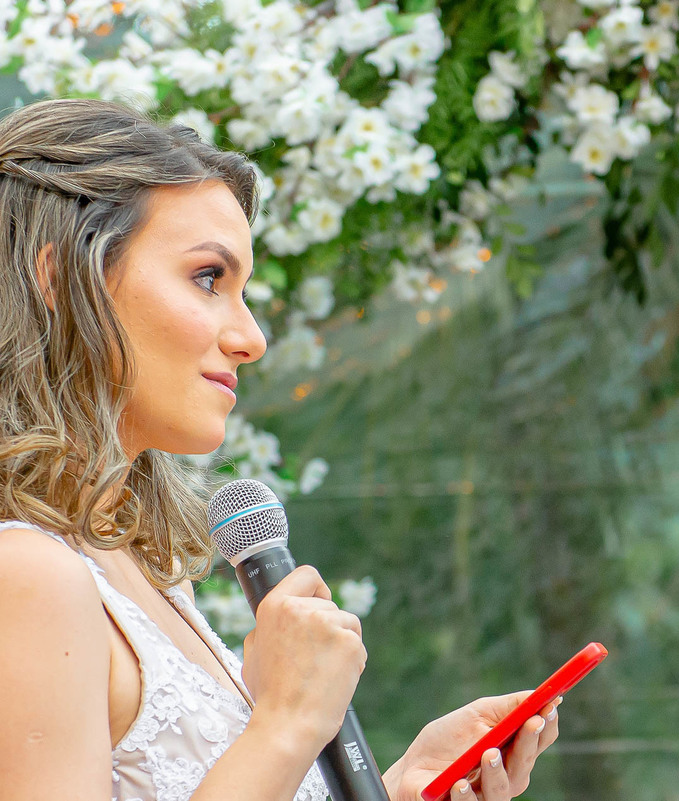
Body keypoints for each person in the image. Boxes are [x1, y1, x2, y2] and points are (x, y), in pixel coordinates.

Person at [0, 98, 559, 801]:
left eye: (244, 290)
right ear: (60, 279)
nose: (251, 337)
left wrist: (404, 788)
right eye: (209, 278)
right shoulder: (26, 574)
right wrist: (289, 721)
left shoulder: (141, 570)